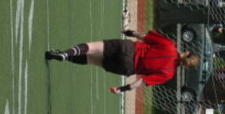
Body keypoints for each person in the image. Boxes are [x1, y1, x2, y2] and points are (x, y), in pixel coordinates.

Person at [45, 29, 199, 93]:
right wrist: (121, 89)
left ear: (186, 53)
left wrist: (129, 32)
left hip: (127, 49)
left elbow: (144, 37)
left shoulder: (170, 46)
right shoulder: (169, 74)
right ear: (185, 67)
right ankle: (64, 56)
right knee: (91, 59)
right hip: (126, 67)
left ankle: (64, 54)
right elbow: (142, 82)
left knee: (90, 47)